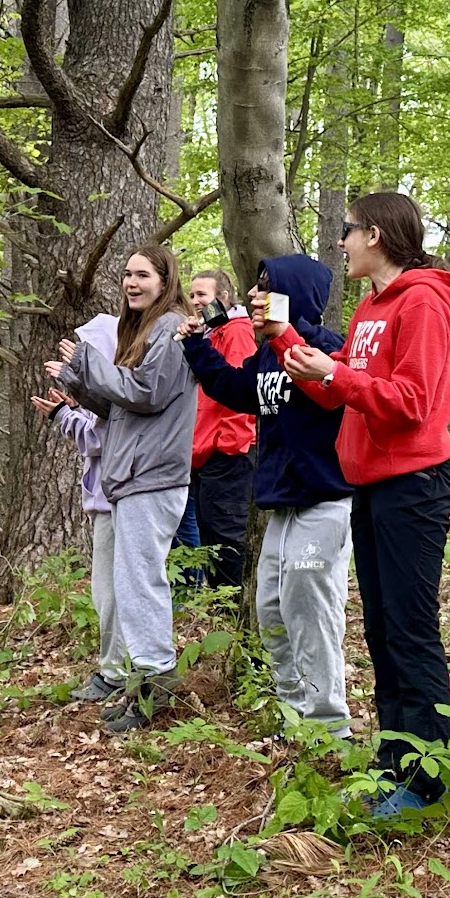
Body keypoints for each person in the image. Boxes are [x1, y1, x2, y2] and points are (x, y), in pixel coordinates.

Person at [261, 192, 450, 815]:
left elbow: (410, 401)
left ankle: (426, 779)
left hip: (414, 485)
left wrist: (335, 373)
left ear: (376, 235)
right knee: (380, 627)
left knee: (409, 627)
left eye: (348, 230)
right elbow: (338, 393)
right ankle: (394, 760)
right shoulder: (371, 306)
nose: (341, 242)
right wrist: (289, 345)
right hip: (369, 484)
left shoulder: (423, 302)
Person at [177, 254, 354, 735]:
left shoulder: (327, 348)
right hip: (282, 506)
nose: (254, 295)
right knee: (272, 610)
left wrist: (287, 339)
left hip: (324, 500)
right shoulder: (267, 354)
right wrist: (197, 347)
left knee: (310, 610)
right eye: (255, 287)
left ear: (293, 295)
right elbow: (238, 390)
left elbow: (339, 395)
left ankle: (329, 727)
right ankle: (294, 717)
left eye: (265, 287)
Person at [47, 244, 197, 733]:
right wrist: (78, 379)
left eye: (143, 275)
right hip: (134, 474)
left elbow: (147, 393)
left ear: (165, 281)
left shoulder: (171, 327)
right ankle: (144, 677)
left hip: (152, 474)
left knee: (139, 581)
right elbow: (120, 407)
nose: (132, 283)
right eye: (127, 275)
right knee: (129, 582)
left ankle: (155, 682)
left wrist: (89, 362)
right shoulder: (146, 330)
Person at [31, 313, 128, 702]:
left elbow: (100, 439)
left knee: (110, 590)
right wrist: (72, 408)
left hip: (114, 498)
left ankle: (116, 671)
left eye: (86, 350)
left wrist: (63, 416)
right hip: (108, 497)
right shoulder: (109, 392)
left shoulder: (116, 392)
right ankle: (120, 667)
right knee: (109, 588)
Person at [186, 269, 257, 589]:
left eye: (202, 294)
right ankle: (219, 605)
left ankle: (232, 606)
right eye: (192, 295)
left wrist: (228, 445)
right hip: (205, 454)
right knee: (210, 537)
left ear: (224, 297)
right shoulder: (212, 332)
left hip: (227, 455)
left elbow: (241, 391)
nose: (195, 301)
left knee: (226, 537)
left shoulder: (237, 331)